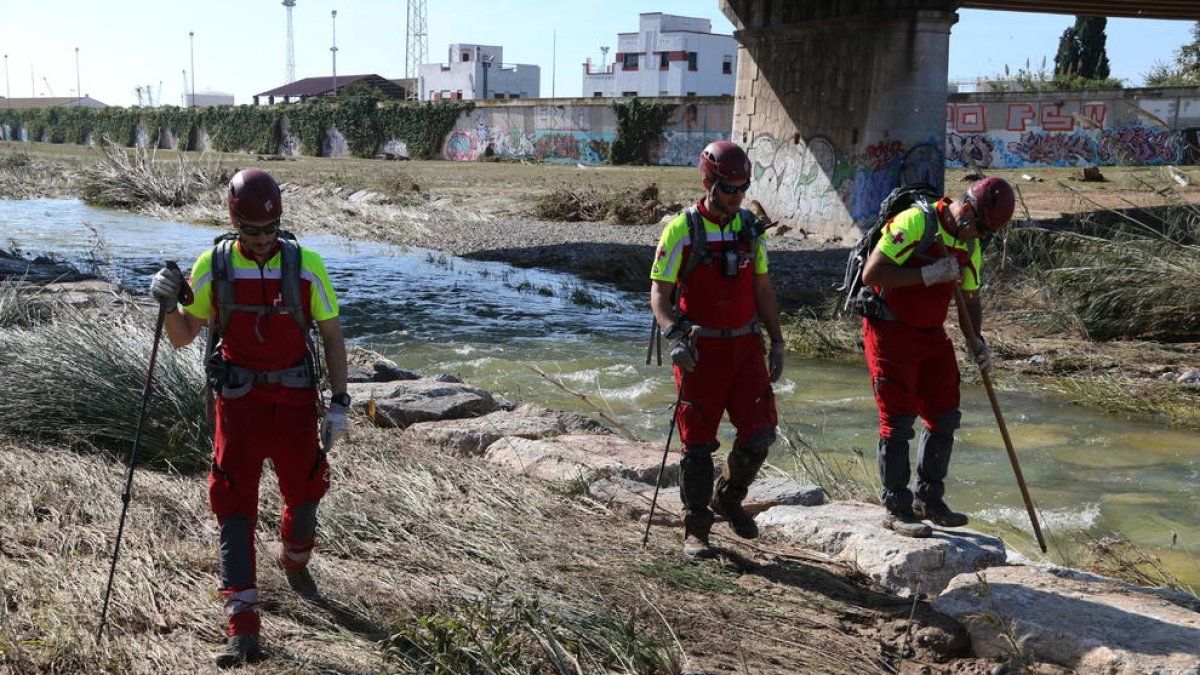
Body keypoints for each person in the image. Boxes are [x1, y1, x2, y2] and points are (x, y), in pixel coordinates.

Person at [149, 168, 350, 667]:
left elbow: (331, 336)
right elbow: (181, 335)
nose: (262, 242)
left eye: (270, 230)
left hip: (297, 405)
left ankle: (295, 559)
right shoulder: (212, 266)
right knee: (232, 505)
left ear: (281, 220)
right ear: (233, 221)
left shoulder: (307, 266)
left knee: (304, 495)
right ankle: (243, 627)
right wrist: (168, 301)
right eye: (251, 232)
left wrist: (341, 404)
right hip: (237, 406)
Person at [649, 141, 785, 558]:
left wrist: (777, 341)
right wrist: (673, 335)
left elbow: (762, 288)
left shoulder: (749, 228)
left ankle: (728, 498)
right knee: (698, 444)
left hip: (745, 347)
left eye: (743, 187)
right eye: (729, 188)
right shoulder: (681, 230)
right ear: (708, 182)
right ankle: (696, 530)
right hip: (699, 350)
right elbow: (660, 294)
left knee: (760, 433)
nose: (737, 196)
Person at [860, 176, 1015, 538]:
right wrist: (928, 274)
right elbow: (873, 273)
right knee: (898, 420)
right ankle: (896, 506)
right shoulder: (916, 222)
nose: (979, 237)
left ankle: (928, 499)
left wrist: (976, 341)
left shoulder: (971, 243)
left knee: (945, 414)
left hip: (930, 334)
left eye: (986, 233)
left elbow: (970, 298)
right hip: (889, 330)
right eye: (978, 228)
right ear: (966, 211)